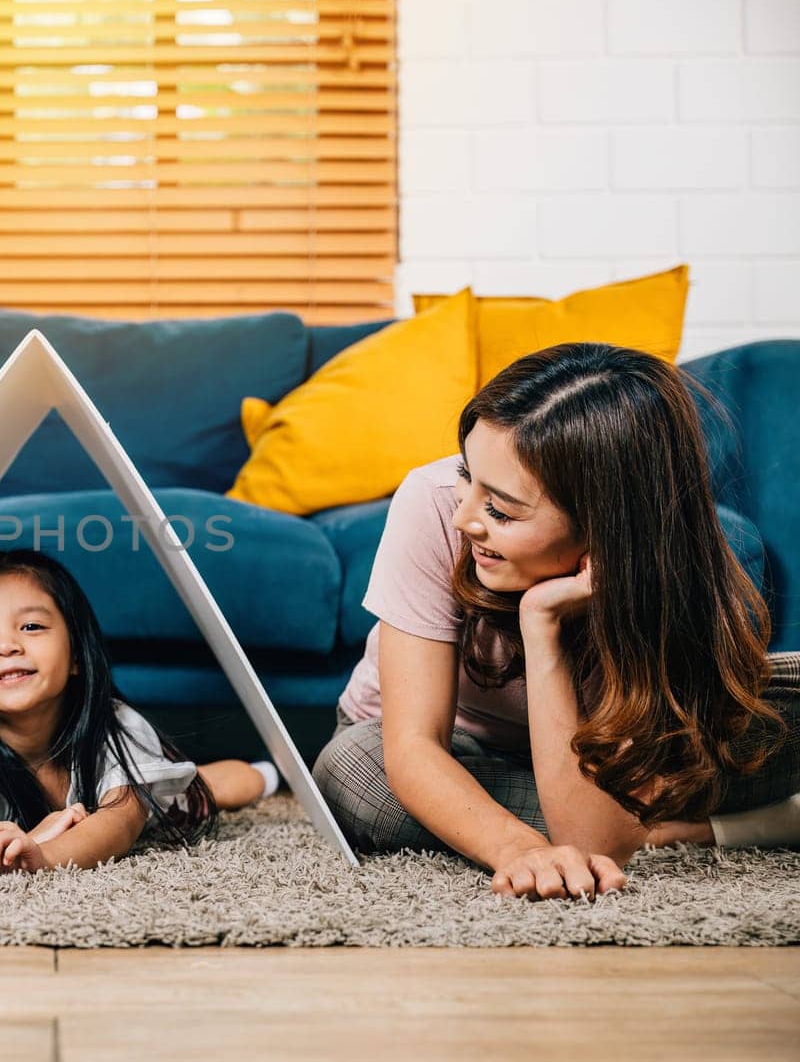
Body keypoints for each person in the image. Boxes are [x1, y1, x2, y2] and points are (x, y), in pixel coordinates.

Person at [313, 342, 800, 900]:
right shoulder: (432, 503)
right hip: (452, 751)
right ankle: (689, 829)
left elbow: (591, 827)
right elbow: (415, 747)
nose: (465, 516)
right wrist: (517, 848)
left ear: (605, 525)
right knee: (355, 774)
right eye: (466, 475)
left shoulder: (666, 560)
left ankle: (651, 824)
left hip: (600, 760)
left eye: (500, 510)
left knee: (770, 708)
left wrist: (542, 626)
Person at [0, 549, 280, 872]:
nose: (5, 645)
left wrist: (43, 856)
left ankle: (268, 772)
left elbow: (118, 824)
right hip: (32, 823)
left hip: (143, 792)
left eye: (31, 626)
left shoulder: (117, 726)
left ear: (77, 656)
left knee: (205, 788)